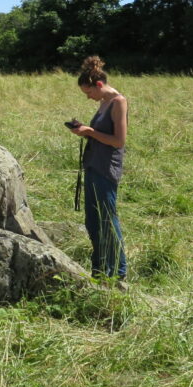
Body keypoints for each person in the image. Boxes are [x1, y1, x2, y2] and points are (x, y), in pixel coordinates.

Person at [68, 55, 127, 280]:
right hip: (93, 165)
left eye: (89, 92)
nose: (89, 97)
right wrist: (84, 131)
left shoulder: (118, 102)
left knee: (107, 219)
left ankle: (118, 273)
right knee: (93, 221)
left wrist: (90, 132)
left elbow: (119, 141)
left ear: (99, 85)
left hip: (106, 169)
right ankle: (100, 270)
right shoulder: (103, 102)